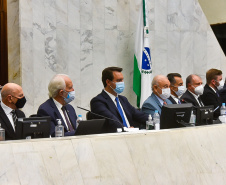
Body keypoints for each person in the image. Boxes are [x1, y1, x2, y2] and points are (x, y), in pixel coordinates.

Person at [90, 67, 148, 132]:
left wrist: (156, 121)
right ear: (108, 82)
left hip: (131, 136)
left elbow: (139, 115)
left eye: (122, 80)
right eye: (119, 80)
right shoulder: (98, 101)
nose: (122, 83)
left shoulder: (123, 99)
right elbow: (111, 121)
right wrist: (126, 129)